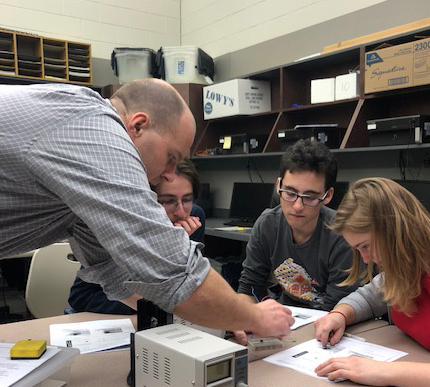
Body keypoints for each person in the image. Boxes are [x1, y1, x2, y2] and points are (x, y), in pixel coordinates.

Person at [0, 79, 293, 337]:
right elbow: (173, 269)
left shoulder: (80, 137)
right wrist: (254, 316)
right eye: (171, 157)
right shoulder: (97, 130)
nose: (169, 174)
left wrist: (221, 319)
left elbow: (118, 274)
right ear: (138, 125)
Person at [314, 177, 430, 387]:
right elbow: (370, 296)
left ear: (395, 231)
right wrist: (340, 313)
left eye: (365, 246)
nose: (365, 258)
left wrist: (384, 371)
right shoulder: (410, 265)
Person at [233, 139, 358, 345]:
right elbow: (249, 288)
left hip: (327, 327)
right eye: (290, 193)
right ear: (279, 185)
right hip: (289, 323)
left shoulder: (341, 235)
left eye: (310, 197)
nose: (298, 206)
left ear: (328, 196)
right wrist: (243, 316)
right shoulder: (267, 225)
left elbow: (336, 308)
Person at [67, 159, 206, 314]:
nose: (181, 211)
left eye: (187, 200)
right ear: (144, 202)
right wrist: (160, 246)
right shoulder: (119, 221)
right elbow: (81, 296)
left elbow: (186, 285)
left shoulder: (193, 216)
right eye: (167, 201)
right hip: (102, 318)